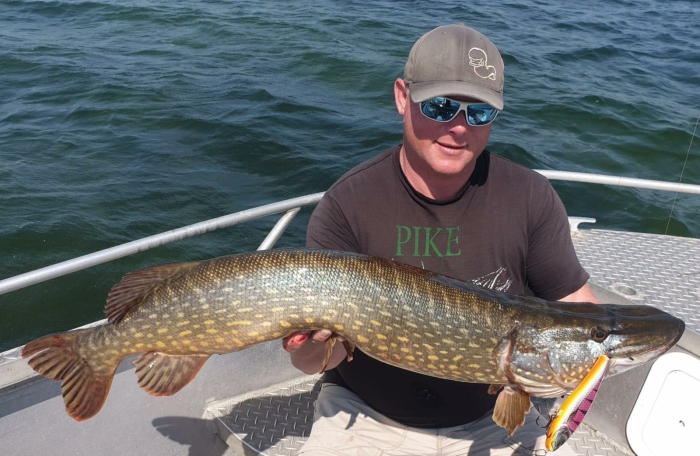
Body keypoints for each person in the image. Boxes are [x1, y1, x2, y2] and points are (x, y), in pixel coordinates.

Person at [284, 24, 600, 456]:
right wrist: (311, 347)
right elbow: (310, 364)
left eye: (479, 113)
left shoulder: (530, 197)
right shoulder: (347, 205)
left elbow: (577, 306)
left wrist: (605, 358)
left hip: (492, 421)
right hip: (364, 416)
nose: (458, 128)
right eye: (441, 106)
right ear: (403, 97)